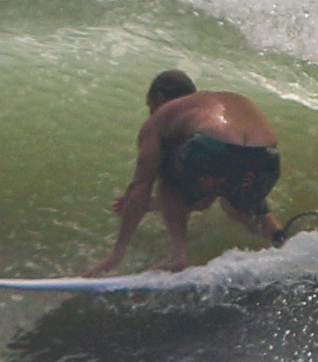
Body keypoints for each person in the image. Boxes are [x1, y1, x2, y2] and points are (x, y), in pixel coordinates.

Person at [83, 70, 284, 277]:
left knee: (167, 174)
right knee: (238, 205)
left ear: (158, 98)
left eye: (149, 106)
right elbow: (208, 189)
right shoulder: (227, 103)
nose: (151, 112)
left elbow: (141, 185)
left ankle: (179, 256)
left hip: (212, 151)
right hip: (266, 160)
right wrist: (156, 204)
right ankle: (283, 242)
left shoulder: (162, 116)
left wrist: (117, 253)